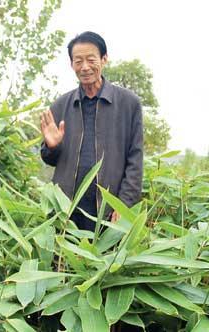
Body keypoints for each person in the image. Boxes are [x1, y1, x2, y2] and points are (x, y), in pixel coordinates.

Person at [41, 31, 143, 231]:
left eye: (91, 59)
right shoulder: (61, 105)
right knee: (64, 262)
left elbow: (135, 159)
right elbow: (49, 159)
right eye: (78, 61)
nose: (85, 67)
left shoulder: (128, 103)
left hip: (108, 210)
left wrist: (124, 205)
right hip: (67, 210)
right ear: (72, 65)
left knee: (106, 260)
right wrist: (52, 147)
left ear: (104, 59)